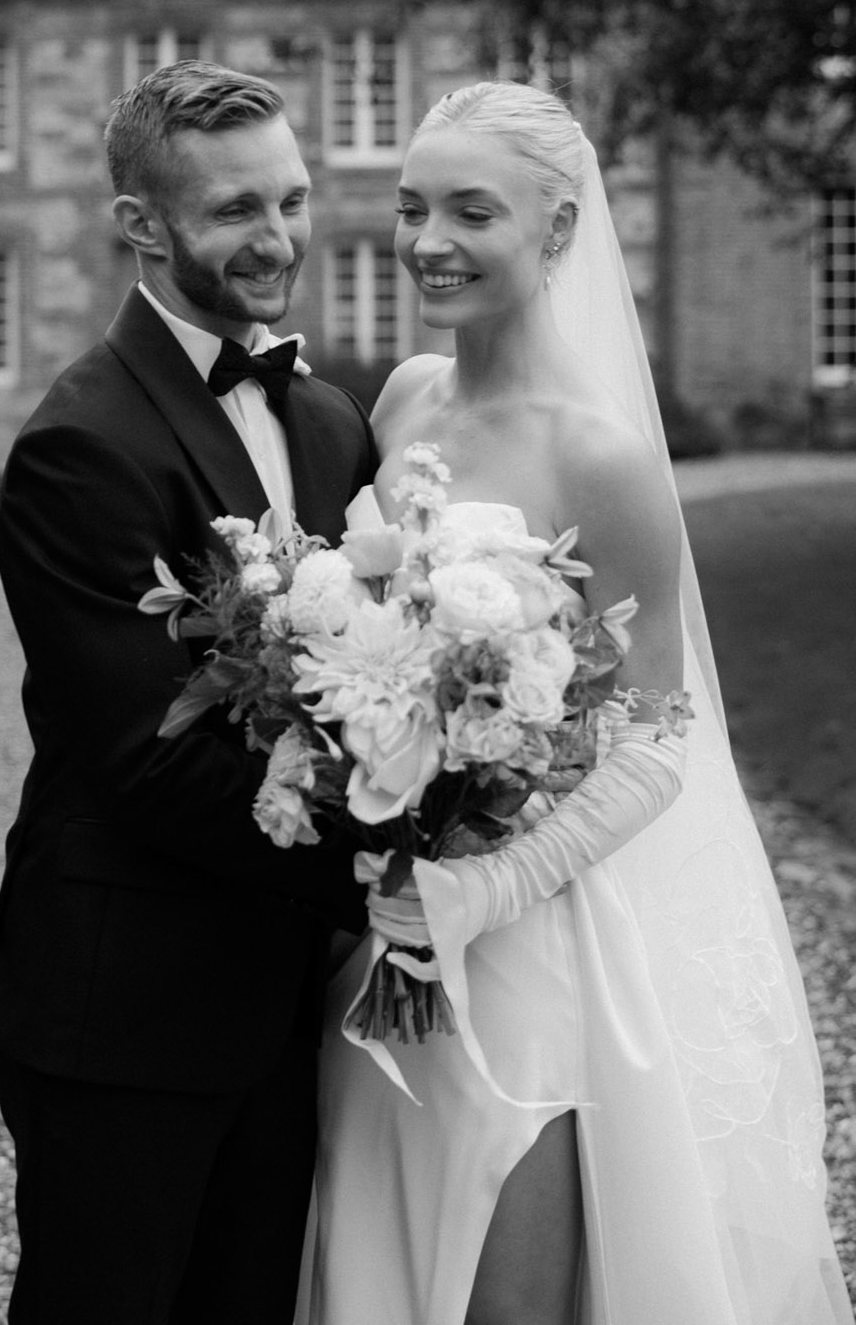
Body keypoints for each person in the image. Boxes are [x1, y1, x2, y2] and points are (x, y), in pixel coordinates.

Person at [298, 80, 854, 1325]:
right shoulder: (399, 399)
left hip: (531, 931)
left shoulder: (598, 451)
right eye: (409, 206)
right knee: (378, 1250)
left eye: (469, 210)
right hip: (386, 913)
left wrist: (482, 887)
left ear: (557, 232)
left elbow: (658, 733)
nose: (427, 240)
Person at [0, 60, 379, 1325]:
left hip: (287, 996)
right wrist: (398, 858)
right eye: (236, 211)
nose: (279, 238)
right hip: (123, 1002)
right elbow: (147, 758)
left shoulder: (327, 419)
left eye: (293, 199)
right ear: (142, 226)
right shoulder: (80, 442)